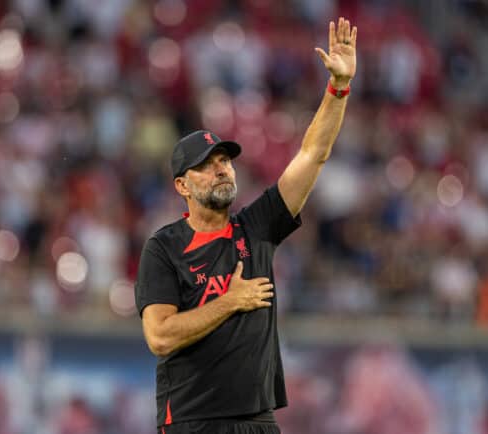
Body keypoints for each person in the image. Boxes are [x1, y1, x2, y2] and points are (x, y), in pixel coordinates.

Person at [135, 17, 357, 434]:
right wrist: (230, 302)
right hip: (191, 421)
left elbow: (313, 154)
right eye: (206, 166)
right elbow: (159, 337)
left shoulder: (255, 228)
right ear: (182, 185)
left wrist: (338, 89)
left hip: (258, 422)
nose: (221, 170)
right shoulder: (163, 248)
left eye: (225, 161)